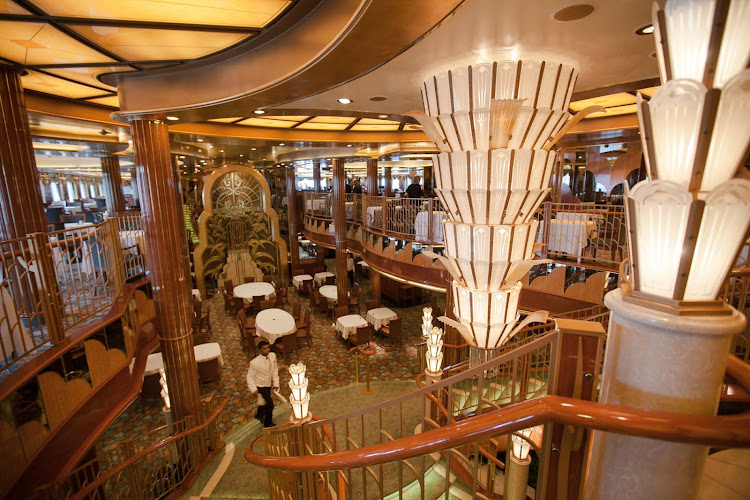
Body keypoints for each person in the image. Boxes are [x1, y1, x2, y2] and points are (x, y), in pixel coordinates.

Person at [246, 340, 279, 427]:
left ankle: (259, 415)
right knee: (270, 405)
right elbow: (249, 377)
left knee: (264, 402)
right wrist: (254, 390)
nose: (267, 350)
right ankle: (267, 424)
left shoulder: (273, 355)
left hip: (268, 384)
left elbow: (275, 369)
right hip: (260, 386)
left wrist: (276, 383)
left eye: (268, 347)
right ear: (260, 350)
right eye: (264, 349)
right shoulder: (254, 363)